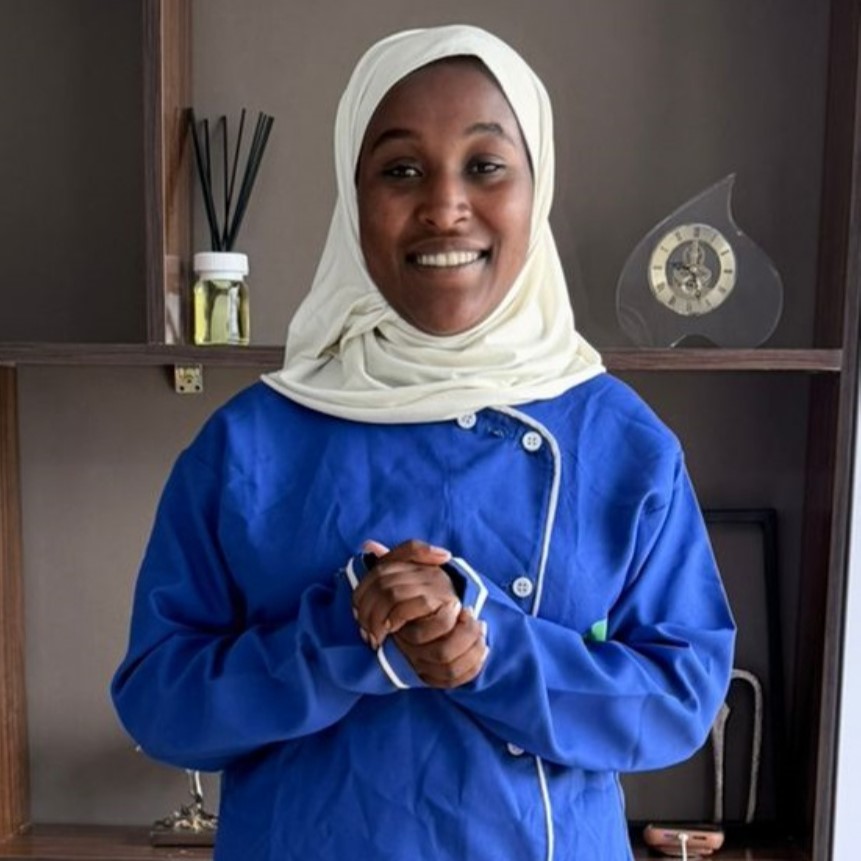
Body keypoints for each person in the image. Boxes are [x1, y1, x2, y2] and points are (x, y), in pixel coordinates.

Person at [112, 24, 735, 861]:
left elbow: (680, 698)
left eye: (485, 165)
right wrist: (339, 639)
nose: (444, 206)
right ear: (352, 198)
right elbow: (159, 704)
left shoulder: (619, 441)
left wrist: (489, 646)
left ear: (537, 188)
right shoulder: (248, 443)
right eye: (400, 170)